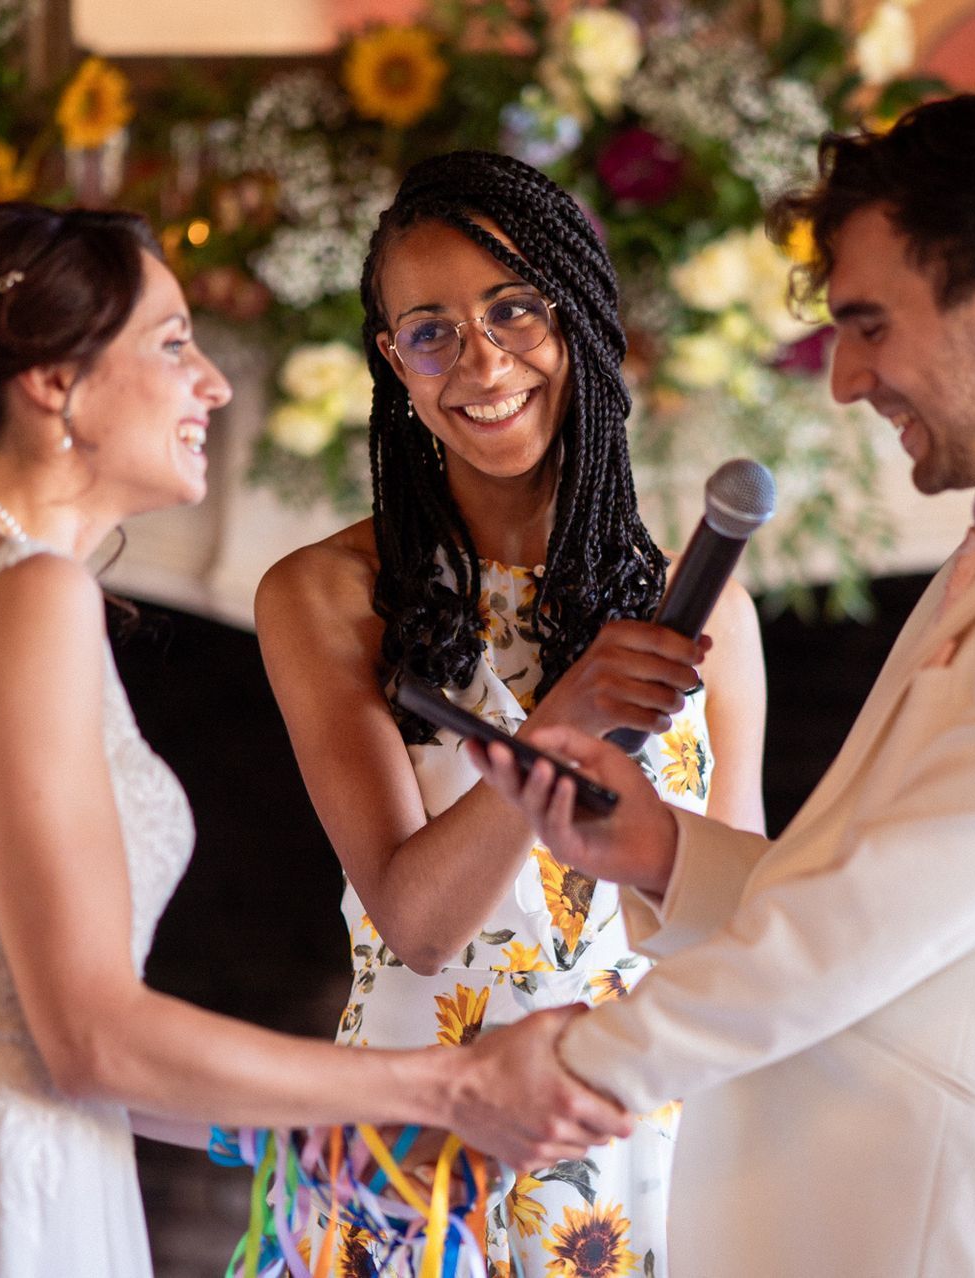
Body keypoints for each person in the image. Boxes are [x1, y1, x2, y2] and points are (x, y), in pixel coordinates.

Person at [0, 203, 629, 1278]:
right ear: (53, 380)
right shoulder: (24, 595)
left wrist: (322, 1138)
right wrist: (445, 1086)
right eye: (175, 342)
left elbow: (0, 1024)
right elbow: (87, 1039)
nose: (214, 385)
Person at [473, 95, 975, 1277]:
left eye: (870, 326)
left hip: (937, 1221)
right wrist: (662, 852)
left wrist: (572, 1071)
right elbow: (880, 876)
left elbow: (858, 927)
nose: (844, 381)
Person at [255, 151, 767, 1273]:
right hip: (417, 1164)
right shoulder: (324, 596)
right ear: (394, 361)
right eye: (432, 330)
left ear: (580, 320)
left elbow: (737, 934)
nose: (483, 362)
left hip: (635, 1164)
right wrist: (560, 722)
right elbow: (419, 925)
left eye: (516, 310)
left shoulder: (707, 601)